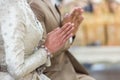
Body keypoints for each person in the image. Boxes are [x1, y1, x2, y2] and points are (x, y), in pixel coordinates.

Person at [0, 0, 74, 80]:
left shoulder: (21, 3)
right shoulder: (12, 7)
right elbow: (16, 70)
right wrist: (46, 50)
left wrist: (47, 46)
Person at [29, 0, 95, 80]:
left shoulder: (48, 2)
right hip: (51, 75)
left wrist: (68, 30)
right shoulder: (35, 5)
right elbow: (41, 52)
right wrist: (68, 37)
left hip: (68, 70)